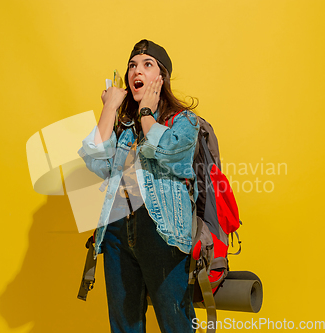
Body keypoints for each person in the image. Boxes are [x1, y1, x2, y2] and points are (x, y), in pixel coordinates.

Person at [78, 39, 200, 333]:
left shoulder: (183, 120)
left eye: (147, 65)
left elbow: (170, 152)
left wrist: (147, 113)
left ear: (162, 77)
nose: (137, 71)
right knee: (124, 327)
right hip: (117, 231)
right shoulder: (125, 129)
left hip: (161, 231)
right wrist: (110, 107)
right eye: (133, 65)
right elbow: (97, 165)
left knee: (177, 325)